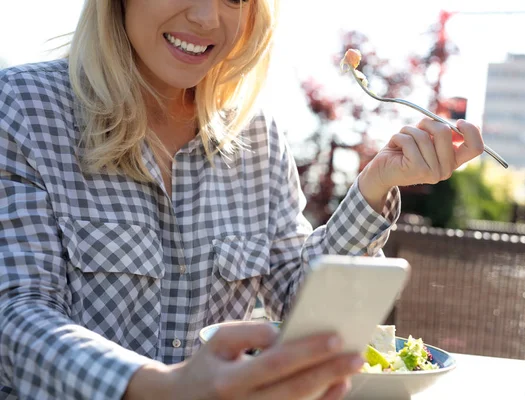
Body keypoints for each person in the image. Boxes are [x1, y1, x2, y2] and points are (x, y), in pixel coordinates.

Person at [0, 0, 485, 399]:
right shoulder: (23, 108)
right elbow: (15, 316)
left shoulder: (259, 137)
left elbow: (301, 303)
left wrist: (376, 183)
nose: (208, 18)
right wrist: (162, 388)